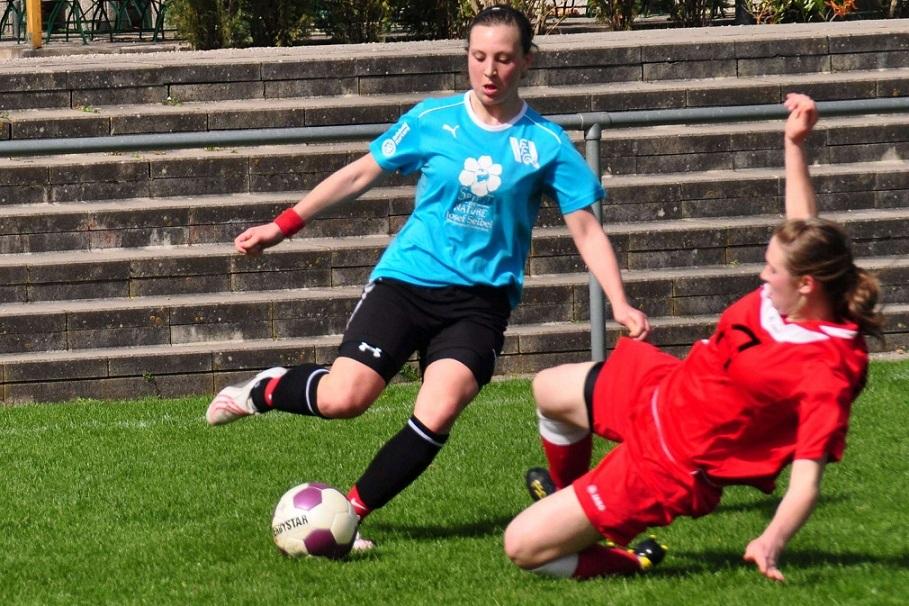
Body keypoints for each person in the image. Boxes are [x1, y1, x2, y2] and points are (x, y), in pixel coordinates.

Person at [206, 4, 649, 549]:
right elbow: (360, 173)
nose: (489, 71)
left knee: (438, 410)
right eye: (479, 56)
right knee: (345, 400)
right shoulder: (433, 119)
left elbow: (586, 230)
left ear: (527, 61)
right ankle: (265, 389)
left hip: (479, 304)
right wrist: (283, 225)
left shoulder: (547, 144)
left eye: (504, 59)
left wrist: (621, 303)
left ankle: (349, 516)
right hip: (407, 283)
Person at [503, 93, 884, 581]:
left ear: (807, 285)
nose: (762, 278)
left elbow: (807, 481)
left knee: (522, 548)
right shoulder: (798, 293)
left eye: (771, 270)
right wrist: (794, 144)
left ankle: (627, 558)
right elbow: (802, 229)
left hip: (670, 464)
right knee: (548, 388)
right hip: (662, 389)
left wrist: (771, 540)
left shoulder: (826, 370)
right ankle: (571, 501)